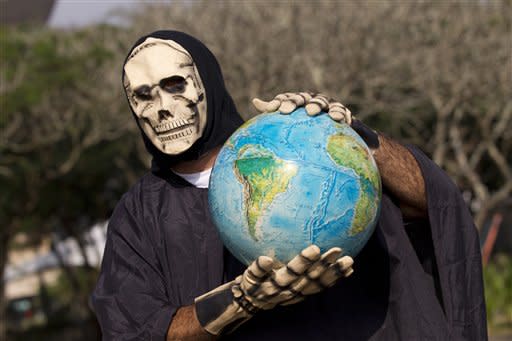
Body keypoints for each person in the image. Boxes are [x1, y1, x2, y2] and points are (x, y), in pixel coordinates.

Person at [91, 30, 487, 340]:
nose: (161, 107)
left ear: (205, 82)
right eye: (143, 95)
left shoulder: (309, 153)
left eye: (175, 85)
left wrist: (353, 135)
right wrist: (242, 300)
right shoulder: (139, 215)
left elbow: (433, 204)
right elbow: (134, 328)